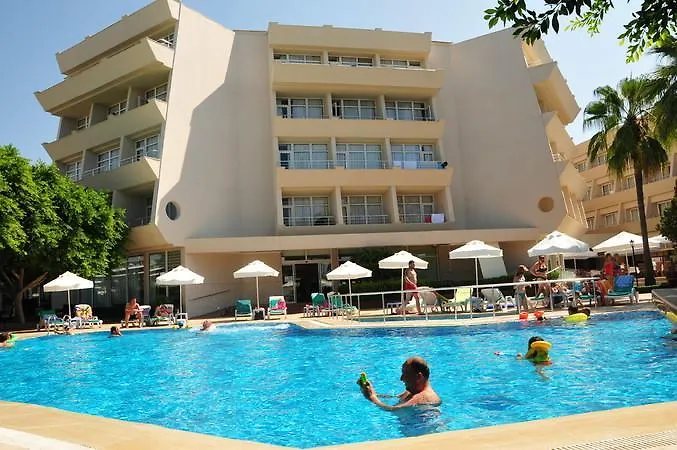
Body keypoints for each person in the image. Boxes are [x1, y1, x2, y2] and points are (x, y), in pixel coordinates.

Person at [359, 356, 441, 411]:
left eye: (405, 375)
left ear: (419, 376)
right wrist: (370, 391)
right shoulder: (411, 392)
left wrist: (372, 397)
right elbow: (394, 398)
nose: (401, 379)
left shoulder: (424, 397)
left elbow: (394, 410)